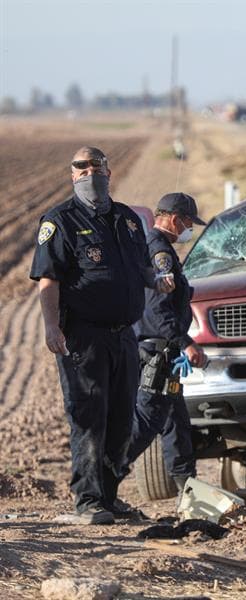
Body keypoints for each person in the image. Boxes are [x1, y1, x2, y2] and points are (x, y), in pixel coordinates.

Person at [30, 146, 173, 525]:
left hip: (124, 335)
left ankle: (109, 497)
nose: (89, 173)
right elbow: (48, 280)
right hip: (83, 337)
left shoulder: (127, 219)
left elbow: (140, 268)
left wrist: (157, 280)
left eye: (96, 166)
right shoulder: (60, 220)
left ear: (108, 172)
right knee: (89, 416)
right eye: (81, 167)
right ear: (72, 174)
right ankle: (88, 500)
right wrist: (51, 327)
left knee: (122, 417)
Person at [124, 192, 207, 495]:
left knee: (176, 422)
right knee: (147, 421)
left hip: (165, 355)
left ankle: (189, 489)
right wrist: (185, 343)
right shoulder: (159, 252)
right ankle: (102, 478)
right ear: (174, 219)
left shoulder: (158, 248)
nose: (190, 229)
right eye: (188, 222)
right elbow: (158, 309)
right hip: (157, 353)